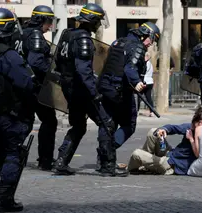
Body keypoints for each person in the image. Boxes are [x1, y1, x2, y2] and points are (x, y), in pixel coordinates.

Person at [53, 3, 128, 177]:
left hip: (69, 88)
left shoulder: (67, 34)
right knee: (106, 122)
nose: (99, 25)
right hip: (82, 91)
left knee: (78, 126)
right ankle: (108, 166)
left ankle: (61, 162)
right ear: (92, 21)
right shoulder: (84, 39)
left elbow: (57, 61)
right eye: (98, 21)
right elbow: (83, 70)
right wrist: (94, 93)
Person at [0, 8, 35, 212]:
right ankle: (3, 199)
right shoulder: (10, 57)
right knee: (12, 155)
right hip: (8, 116)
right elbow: (26, 84)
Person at [97, 22, 160, 157]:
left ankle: (103, 158)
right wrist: (136, 82)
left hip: (106, 87)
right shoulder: (137, 47)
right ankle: (108, 152)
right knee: (129, 124)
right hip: (121, 91)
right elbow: (129, 67)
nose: (151, 44)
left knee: (108, 123)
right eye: (152, 39)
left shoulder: (117, 42)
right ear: (145, 34)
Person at [11, 5, 58, 171]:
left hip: (18, 85)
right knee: (48, 121)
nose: (50, 26)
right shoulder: (36, 35)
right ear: (42, 20)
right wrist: (53, 74)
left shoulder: (21, 32)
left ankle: (8, 155)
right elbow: (36, 62)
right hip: (35, 87)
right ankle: (45, 160)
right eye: (49, 21)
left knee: (23, 121)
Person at [127, 108, 202, 176]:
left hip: (172, 165)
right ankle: (147, 166)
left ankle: (132, 169)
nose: (194, 127)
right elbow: (174, 127)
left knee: (137, 153)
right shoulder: (191, 128)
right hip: (171, 154)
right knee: (153, 132)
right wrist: (164, 130)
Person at [137, 52, 155, 117]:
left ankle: (137, 111)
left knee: (138, 97)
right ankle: (152, 112)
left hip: (144, 82)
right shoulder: (150, 64)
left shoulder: (143, 64)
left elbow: (141, 73)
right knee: (149, 98)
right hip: (150, 82)